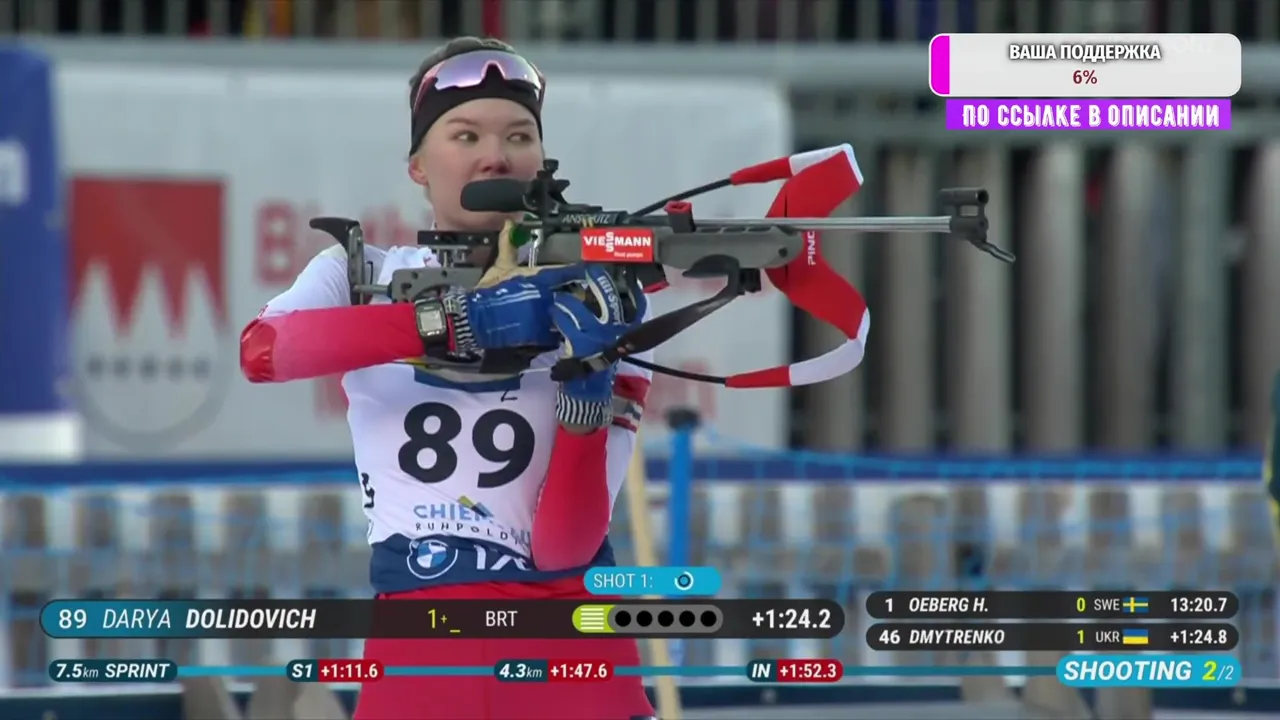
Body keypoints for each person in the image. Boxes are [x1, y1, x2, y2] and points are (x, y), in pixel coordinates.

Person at [239, 36, 657, 720]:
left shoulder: (596, 295)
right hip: (422, 658)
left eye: (519, 135)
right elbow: (264, 353)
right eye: (465, 135)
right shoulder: (362, 272)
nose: (496, 155)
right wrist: (457, 322)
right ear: (417, 166)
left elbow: (562, 549)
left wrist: (586, 395)